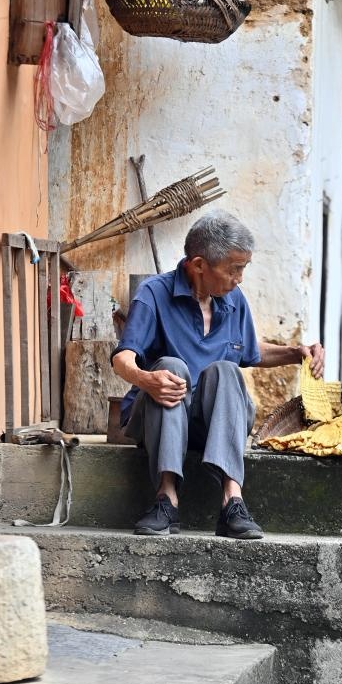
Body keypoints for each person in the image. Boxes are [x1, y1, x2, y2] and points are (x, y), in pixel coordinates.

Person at [112, 210, 324, 540]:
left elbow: (252, 352)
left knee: (226, 371)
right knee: (171, 368)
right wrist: (145, 380)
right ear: (199, 265)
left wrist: (296, 354)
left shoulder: (233, 300)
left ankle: (232, 502)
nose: (239, 278)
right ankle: (166, 500)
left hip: (210, 424)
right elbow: (122, 358)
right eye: (234, 269)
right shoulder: (154, 293)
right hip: (159, 418)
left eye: (243, 269)